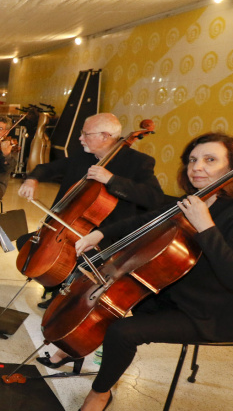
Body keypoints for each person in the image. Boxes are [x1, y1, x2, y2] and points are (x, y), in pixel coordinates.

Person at [64, 133, 233, 411]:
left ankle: (100, 393)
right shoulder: (196, 199)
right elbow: (149, 219)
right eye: (193, 160)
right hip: (173, 293)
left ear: (232, 168)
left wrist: (205, 224)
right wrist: (101, 234)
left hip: (207, 313)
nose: (197, 167)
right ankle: (70, 350)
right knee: (109, 302)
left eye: (210, 160)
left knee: (123, 331)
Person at [18, 113, 164, 312]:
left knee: (74, 261)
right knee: (27, 245)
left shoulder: (138, 162)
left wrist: (112, 180)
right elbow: (47, 168)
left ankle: (70, 297)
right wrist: (32, 179)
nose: (80, 138)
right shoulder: (83, 156)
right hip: (69, 228)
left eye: (86, 134)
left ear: (105, 136)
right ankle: (58, 287)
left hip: (108, 234)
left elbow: (154, 198)